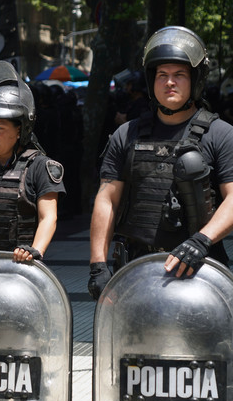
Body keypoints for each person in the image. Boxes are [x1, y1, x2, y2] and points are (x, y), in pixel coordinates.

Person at [89, 26, 233, 296]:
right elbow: (107, 198)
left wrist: (201, 242)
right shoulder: (127, 133)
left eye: (179, 75)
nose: (169, 82)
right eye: (162, 75)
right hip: (136, 271)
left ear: (195, 79)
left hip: (202, 272)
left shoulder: (221, 134)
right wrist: (98, 264)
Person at [0, 62, 65, 260]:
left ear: (19, 130)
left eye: (0, 128)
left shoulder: (40, 167)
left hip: (19, 271)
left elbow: (49, 217)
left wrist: (35, 251)